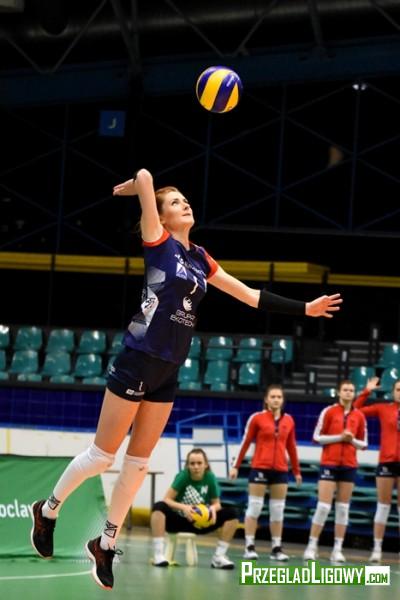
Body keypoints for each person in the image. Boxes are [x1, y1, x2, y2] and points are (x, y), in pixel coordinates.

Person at [30, 168, 342, 590]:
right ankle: (48, 510)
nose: (185, 203)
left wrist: (305, 308)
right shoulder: (157, 241)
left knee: (138, 465)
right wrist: (137, 188)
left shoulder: (201, 257)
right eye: (176, 201)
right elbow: (144, 175)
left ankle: (105, 543)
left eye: (184, 199)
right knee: (103, 457)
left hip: (168, 369)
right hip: (137, 358)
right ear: (160, 216)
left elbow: (250, 296)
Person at [229, 384, 302, 561]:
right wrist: (236, 466)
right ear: (266, 400)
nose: (276, 400)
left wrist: (297, 471)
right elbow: (245, 442)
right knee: (254, 507)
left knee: (278, 509)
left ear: (283, 400)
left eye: (279, 397)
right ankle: (249, 546)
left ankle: (276, 548)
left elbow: (291, 446)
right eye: (273, 397)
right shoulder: (257, 418)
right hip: (260, 468)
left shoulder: (289, 420)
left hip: (280, 470)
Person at [303, 380, 368, 563]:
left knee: (343, 508)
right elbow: (316, 437)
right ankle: (311, 546)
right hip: (329, 463)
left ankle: (337, 549)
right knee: (323, 506)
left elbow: (364, 444)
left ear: (354, 394)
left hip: (349, 465)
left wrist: (351, 440)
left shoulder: (359, 416)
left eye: (351, 390)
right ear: (339, 392)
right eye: (345, 390)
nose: (348, 393)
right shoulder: (329, 411)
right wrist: (340, 437)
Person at [150, 447, 238, 569]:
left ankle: (219, 557)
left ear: (206, 465)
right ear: (187, 465)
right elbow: (167, 499)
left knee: (232, 513)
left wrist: (212, 509)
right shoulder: (183, 476)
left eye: (199, 463)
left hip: (201, 523)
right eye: (192, 463)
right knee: (159, 506)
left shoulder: (210, 477)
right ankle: (158, 555)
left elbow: (217, 503)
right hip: (180, 521)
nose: (196, 466)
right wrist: (184, 507)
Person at [353, 376, 400, 562]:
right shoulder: (383, 408)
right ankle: (377, 548)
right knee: (383, 505)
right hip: (387, 461)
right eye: (398, 390)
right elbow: (356, 410)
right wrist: (366, 391)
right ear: (393, 392)